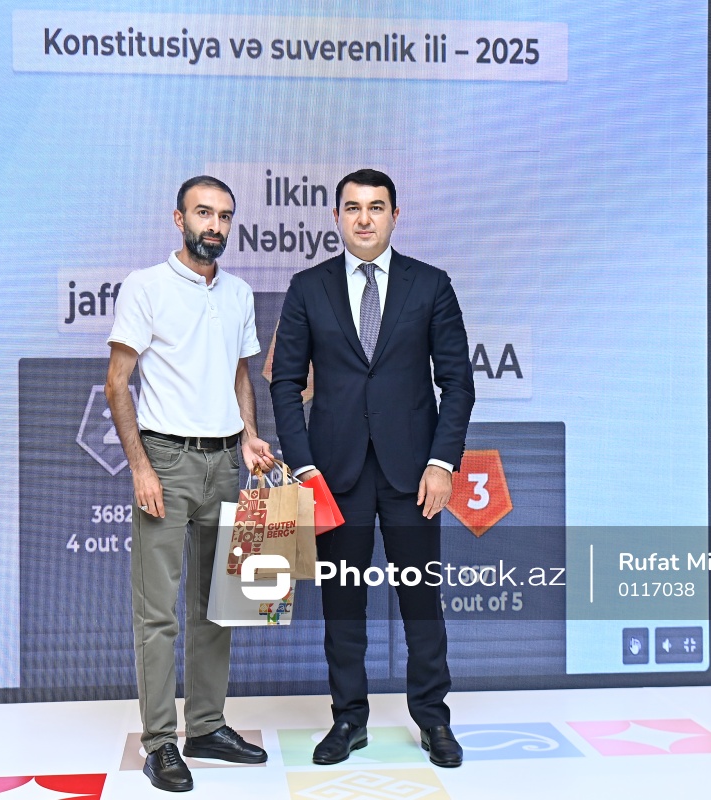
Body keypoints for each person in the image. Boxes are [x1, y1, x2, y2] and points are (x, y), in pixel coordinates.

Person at [269, 169, 475, 768]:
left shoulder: (430, 284)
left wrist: (442, 462)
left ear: (395, 215)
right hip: (333, 477)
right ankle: (348, 719)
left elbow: (457, 382)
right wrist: (303, 469)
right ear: (336, 216)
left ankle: (433, 720)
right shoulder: (307, 287)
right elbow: (285, 383)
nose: (364, 218)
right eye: (353, 208)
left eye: (376, 207)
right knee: (342, 604)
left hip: (414, 475)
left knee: (421, 601)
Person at [105, 176, 275, 792]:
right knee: (158, 614)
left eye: (225, 216)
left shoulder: (239, 293)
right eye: (204, 213)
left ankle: (205, 726)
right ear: (179, 219)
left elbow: (239, 376)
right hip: (167, 461)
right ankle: (159, 742)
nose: (215, 226)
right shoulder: (145, 286)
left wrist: (249, 435)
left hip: (226, 462)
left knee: (219, 607)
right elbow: (117, 383)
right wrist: (140, 467)